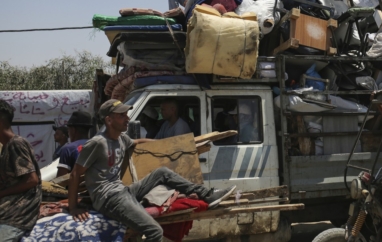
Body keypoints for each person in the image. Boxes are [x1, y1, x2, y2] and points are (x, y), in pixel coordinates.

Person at [68, 99, 236, 242]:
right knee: (155, 232)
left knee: (161, 172)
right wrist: (73, 207)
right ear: (109, 120)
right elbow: (75, 173)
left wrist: (167, 146)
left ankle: (207, 195)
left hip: (123, 191)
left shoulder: (120, 138)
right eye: (122, 116)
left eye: (126, 114)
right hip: (109, 198)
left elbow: (138, 141)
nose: (127, 118)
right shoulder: (97, 143)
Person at [0, 100, 42, 241]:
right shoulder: (6, 146)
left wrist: (2, 193)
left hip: (16, 214)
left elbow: (31, 180)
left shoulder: (16, 144)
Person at [56, 111, 92, 178]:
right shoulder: (96, 145)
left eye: (68, 130)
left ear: (73, 130)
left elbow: (60, 179)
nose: (68, 134)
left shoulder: (68, 149)